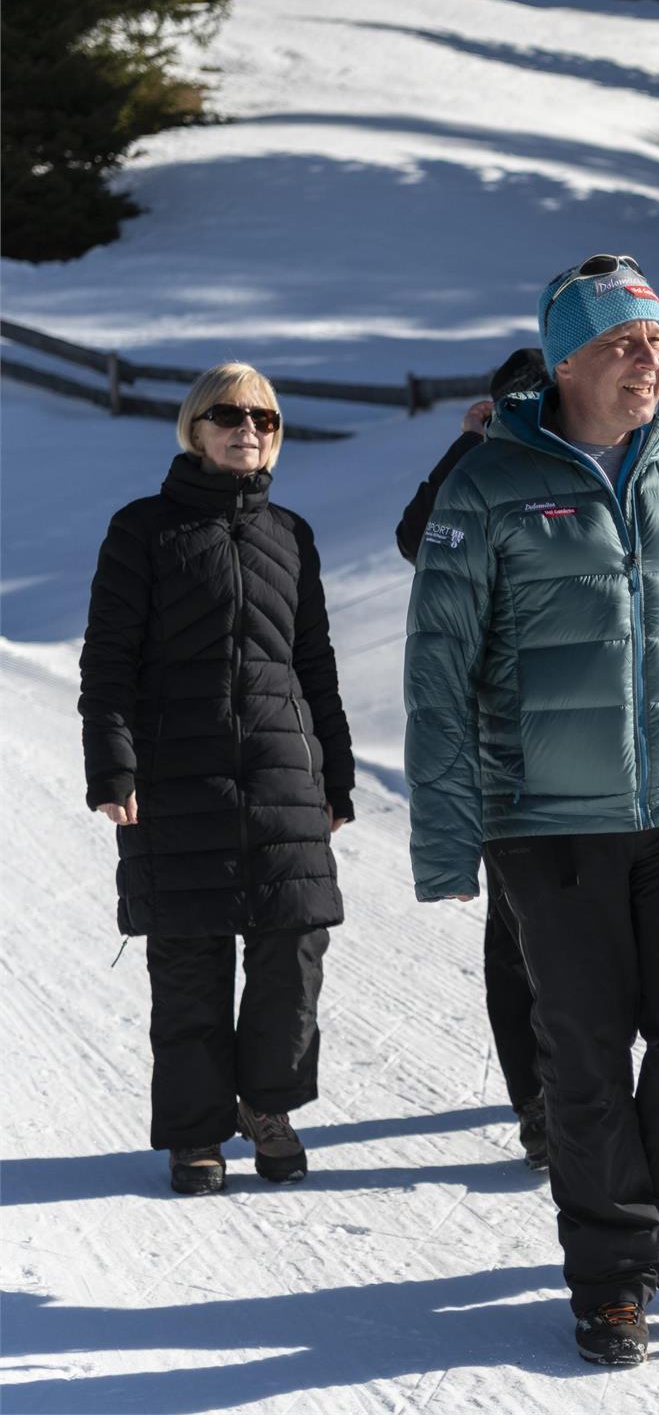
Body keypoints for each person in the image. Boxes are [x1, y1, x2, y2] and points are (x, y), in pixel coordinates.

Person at [404, 254, 659, 1366]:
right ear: (567, 358)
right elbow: (435, 670)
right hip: (548, 824)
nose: (648, 361)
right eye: (624, 344)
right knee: (582, 1054)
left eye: (658, 341)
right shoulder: (484, 486)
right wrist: (448, 837)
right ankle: (612, 1277)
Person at [79, 362, 354, 1196]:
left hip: (281, 773)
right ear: (196, 427)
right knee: (191, 958)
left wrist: (335, 773)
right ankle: (197, 1132)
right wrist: (113, 765)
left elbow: (315, 663)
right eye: (231, 415)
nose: (250, 430)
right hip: (179, 775)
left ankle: (269, 1106)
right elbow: (109, 661)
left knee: (292, 951)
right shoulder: (143, 530)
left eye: (266, 420)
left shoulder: (291, 534)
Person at [395, 346, 551, 1171]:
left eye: (540, 395)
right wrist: (469, 444)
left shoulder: (586, 469)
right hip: (506, 745)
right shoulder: (479, 479)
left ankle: (588, 1089)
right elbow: (415, 538)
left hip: (597, 750)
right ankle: (538, 1104)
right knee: (516, 932)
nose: (529, 409)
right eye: (512, 399)